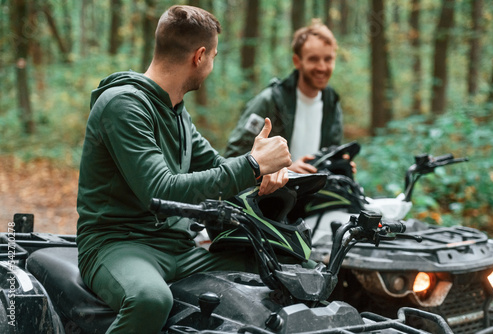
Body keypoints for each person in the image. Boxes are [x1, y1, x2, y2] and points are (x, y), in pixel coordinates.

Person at [76, 5, 291, 334]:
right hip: (116, 245)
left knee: (280, 271)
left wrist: (264, 172)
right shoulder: (122, 106)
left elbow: (219, 171)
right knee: (150, 299)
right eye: (215, 56)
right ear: (200, 56)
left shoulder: (177, 112)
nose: (212, 65)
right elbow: (160, 191)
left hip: (177, 247)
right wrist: (251, 164)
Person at [225, 19, 355, 175]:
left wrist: (339, 165)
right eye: (313, 59)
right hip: (270, 197)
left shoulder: (332, 104)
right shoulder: (270, 101)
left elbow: (329, 155)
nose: (322, 67)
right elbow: (233, 157)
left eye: (328, 59)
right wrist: (284, 170)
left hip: (315, 196)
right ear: (297, 61)